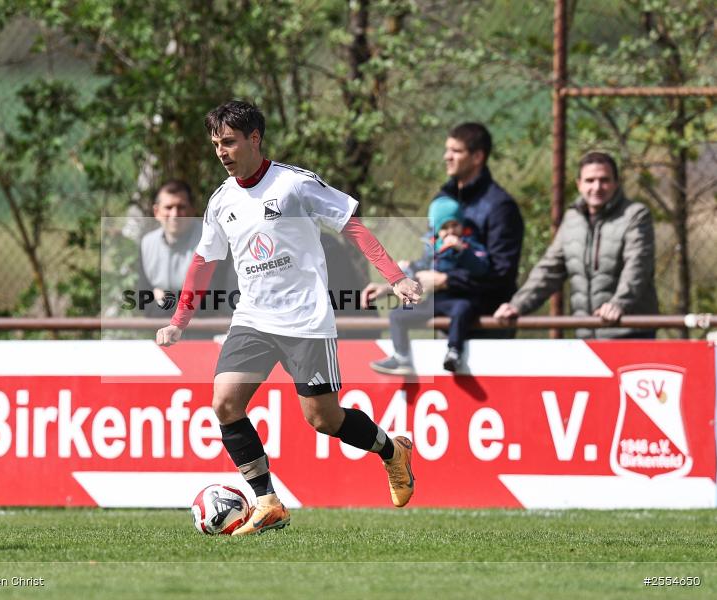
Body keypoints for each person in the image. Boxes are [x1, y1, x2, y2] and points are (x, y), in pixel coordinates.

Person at [156, 100, 423, 535]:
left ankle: (392, 450)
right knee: (224, 402)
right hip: (253, 319)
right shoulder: (221, 201)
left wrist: (395, 277)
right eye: (215, 144)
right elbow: (203, 262)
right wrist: (179, 321)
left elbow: (350, 223)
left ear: (254, 139)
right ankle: (267, 501)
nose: (221, 152)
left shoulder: (294, 185)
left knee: (323, 419)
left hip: (306, 319)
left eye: (229, 142)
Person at [366, 123, 523, 338]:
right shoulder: (442, 200)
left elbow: (501, 275)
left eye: (456, 151)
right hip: (443, 322)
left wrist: (446, 281)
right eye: (447, 149)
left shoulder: (500, 208)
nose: (446, 157)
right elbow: (431, 258)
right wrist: (393, 285)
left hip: (486, 324)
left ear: (478, 157)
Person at [493, 152, 658, 337]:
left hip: (630, 332)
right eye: (590, 180)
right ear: (579, 184)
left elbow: (638, 266)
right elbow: (550, 269)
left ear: (616, 183)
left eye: (604, 180)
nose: (597, 187)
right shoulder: (572, 219)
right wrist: (517, 305)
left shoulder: (635, 215)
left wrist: (619, 304)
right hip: (587, 335)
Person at [370, 195, 490, 374]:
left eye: (454, 225)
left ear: (461, 225)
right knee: (397, 315)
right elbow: (420, 269)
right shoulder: (433, 250)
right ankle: (402, 357)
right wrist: (406, 270)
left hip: (459, 299)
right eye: (444, 227)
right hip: (436, 301)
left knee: (462, 309)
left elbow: (481, 268)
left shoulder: (469, 246)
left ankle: (454, 352)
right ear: (436, 231)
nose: (450, 232)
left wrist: (462, 252)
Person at [137, 180, 236, 332]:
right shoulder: (147, 244)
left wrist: (164, 299)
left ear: (191, 210)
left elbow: (212, 300)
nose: (175, 214)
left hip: (205, 332)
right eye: (168, 207)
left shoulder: (211, 239)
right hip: (160, 332)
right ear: (156, 212)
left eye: (181, 207)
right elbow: (143, 301)